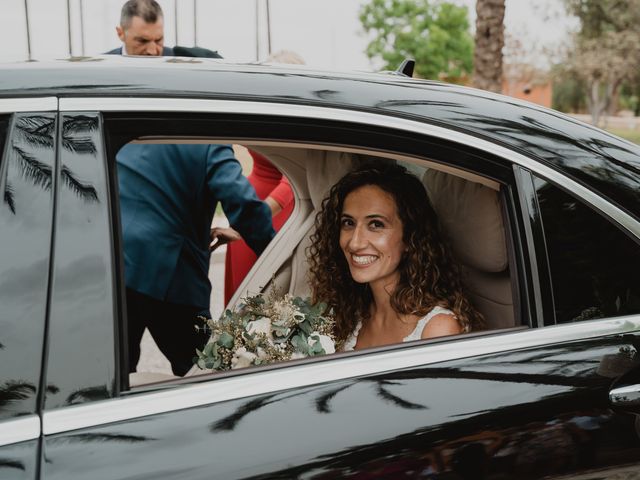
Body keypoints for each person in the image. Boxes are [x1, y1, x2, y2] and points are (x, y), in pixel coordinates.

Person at [112, 0, 274, 376]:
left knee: (113, 378)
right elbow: (244, 205)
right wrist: (277, 254)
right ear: (121, 35)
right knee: (206, 374)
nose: (154, 52)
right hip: (171, 275)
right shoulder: (206, 133)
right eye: (142, 43)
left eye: (160, 42)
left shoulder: (110, 94)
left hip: (118, 267)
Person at [308, 163, 483, 350]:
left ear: (409, 237)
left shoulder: (437, 330)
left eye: (376, 224)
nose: (355, 243)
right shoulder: (350, 313)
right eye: (348, 223)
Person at [223, 50, 304, 304]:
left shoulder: (300, 120)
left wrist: (255, 216)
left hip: (281, 213)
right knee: (242, 298)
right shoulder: (259, 110)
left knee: (271, 300)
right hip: (251, 203)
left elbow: (293, 178)